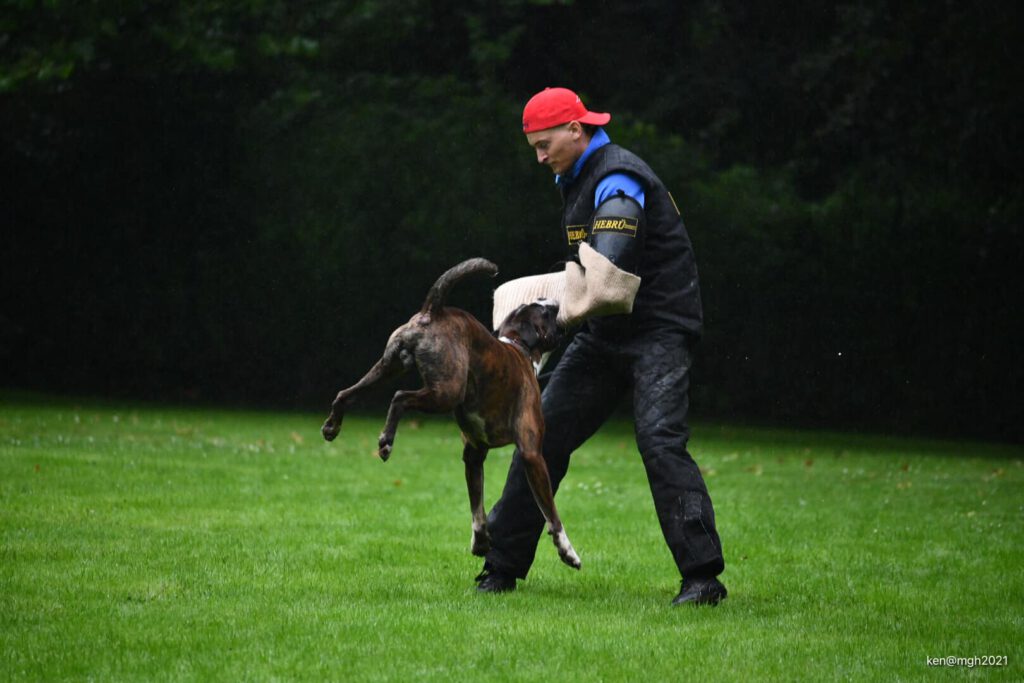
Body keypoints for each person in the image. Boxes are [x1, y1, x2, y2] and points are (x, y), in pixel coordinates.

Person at [478, 87, 727, 606]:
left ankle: (703, 579)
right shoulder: (574, 177)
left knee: (660, 442)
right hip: (606, 333)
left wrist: (547, 315)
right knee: (539, 436)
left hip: (659, 327)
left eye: (546, 145)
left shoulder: (617, 178)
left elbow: (608, 278)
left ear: (577, 129)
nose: (540, 158)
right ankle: (500, 568)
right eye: (534, 149)